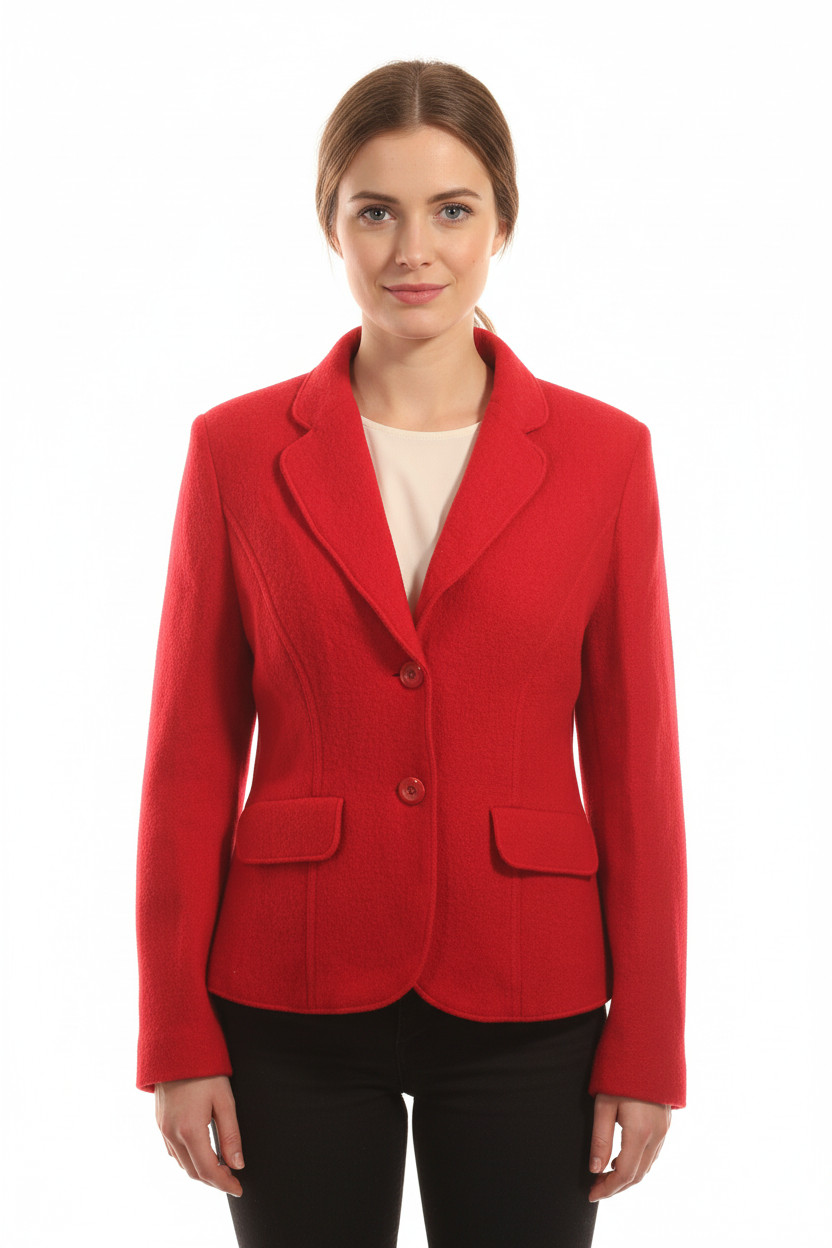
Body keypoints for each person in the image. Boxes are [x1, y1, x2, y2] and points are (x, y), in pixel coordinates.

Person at [135, 59, 688, 1248]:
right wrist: (176, 1035)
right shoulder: (235, 451)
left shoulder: (604, 456)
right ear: (329, 222)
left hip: (529, 987)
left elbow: (637, 768)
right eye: (375, 211)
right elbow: (189, 753)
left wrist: (647, 1043)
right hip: (288, 989)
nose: (412, 250)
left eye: (451, 209)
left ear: (502, 222)